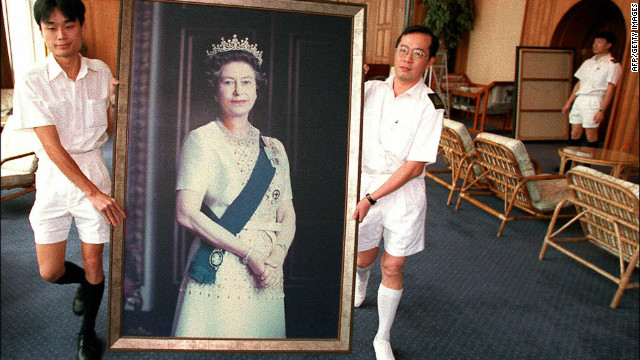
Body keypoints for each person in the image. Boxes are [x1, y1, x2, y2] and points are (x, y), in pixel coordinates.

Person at [12, 0, 126, 359]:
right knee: (50, 271)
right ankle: (83, 285)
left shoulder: (100, 70)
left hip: (93, 167)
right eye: (51, 27)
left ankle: (87, 332)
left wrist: (113, 104)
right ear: (42, 30)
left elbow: (108, 132)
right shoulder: (32, 80)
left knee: (95, 263)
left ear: (81, 26)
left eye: (69, 25)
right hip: (53, 176)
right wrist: (93, 193)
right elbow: (52, 146)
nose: (60, 35)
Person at [171, 35, 296, 338]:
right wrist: (248, 254)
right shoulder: (201, 140)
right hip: (223, 263)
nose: (238, 91)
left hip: (267, 266)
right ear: (215, 90)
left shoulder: (274, 147)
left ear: (257, 88)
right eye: (228, 83)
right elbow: (186, 214)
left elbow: (287, 212)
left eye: (247, 82)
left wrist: (275, 258)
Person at [352, 25, 444, 360]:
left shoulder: (431, 104)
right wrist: (349, 74)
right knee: (363, 257)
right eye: (403, 49)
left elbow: (415, 166)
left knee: (392, 266)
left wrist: (371, 198)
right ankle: (361, 284)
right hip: (365, 184)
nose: (408, 58)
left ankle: (382, 337)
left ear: (429, 61)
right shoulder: (369, 89)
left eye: (418, 53)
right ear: (395, 52)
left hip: (402, 193)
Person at [562, 31, 621, 149]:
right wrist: (569, 102)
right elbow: (579, 84)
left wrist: (602, 111)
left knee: (591, 134)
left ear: (608, 45)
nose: (595, 45)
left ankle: (587, 165)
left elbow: (610, 90)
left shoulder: (613, 64)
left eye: (599, 42)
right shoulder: (588, 62)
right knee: (575, 133)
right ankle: (570, 163)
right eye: (594, 42)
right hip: (580, 99)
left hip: (594, 100)